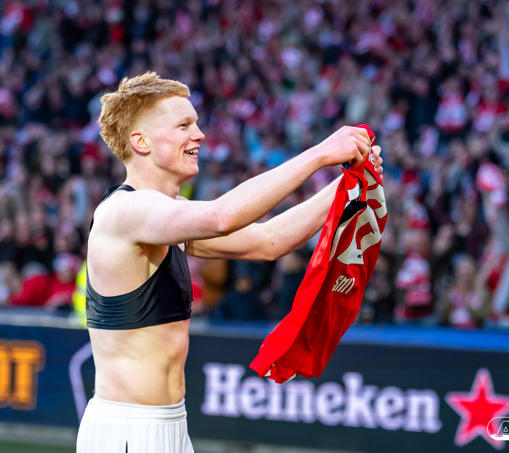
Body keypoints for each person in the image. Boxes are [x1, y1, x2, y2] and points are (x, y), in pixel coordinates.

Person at [76, 72, 383, 453]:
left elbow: (270, 241)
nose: (200, 135)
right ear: (141, 141)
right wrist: (321, 153)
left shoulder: (167, 214)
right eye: (184, 125)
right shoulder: (125, 211)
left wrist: (347, 186)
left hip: (167, 424)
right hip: (128, 430)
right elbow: (222, 217)